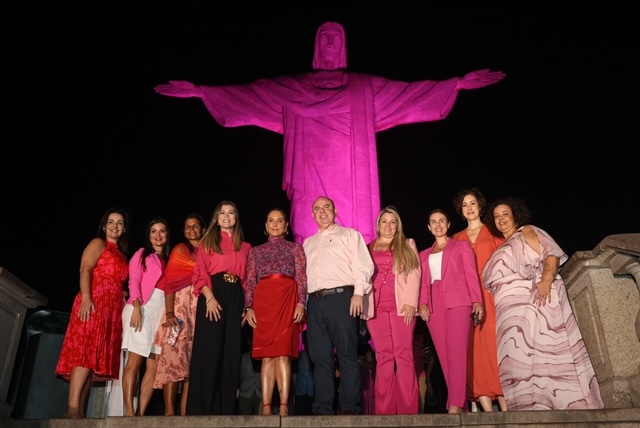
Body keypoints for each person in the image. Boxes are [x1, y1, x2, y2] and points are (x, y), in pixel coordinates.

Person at [154, 22, 505, 246]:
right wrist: (203, 92)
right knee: (312, 249)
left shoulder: (363, 88)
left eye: (337, 38)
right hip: (311, 186)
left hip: (353, 187)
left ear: (345, 46)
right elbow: (250, 95)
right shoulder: (294, 88)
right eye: (324, 38)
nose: (331, 43)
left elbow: (410, 93)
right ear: (315, 46)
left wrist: (455, 84)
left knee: (353, 250)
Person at [483, 197, 604, 410]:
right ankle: (530, 406)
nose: (501, 218)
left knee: (545, 354)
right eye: (496, 216)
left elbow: (550, 255)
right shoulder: (504, 244)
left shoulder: (527, 231)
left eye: (505, 214)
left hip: (534, 304)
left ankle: (561, 402)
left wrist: (546, 280)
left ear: (515, 215)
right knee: (519, 360)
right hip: (510, 318)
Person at [55, 208, 131, 419]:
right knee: (85, 351)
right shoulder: (99, 244)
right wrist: (87, 298)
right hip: (94, 302)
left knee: (94, 357)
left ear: (124, 229)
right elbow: (85, 269)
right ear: (104, 226)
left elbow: (116, 279)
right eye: (111, 222)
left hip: (111, 309)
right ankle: (72, 407)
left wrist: (122, 292)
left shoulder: (122, 255)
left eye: (120, 222)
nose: (115, 225)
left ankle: (80, 410)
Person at [303, 196, 375, 415]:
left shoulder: (350, 235)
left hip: (342, 298)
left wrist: (358, 293)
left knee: (347, 354)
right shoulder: (308, 243)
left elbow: (363, 264)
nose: (322, 211)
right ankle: (323, 408)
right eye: (317, 209)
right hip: (314, 303)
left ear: (335, 210)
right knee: (320, 357)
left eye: (326, 207)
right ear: (312, 214)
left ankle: (350, 407)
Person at [187, 200, 251, 415]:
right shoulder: (208, 242)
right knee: (210, 349)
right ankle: (204, 407)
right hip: (213, 294)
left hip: (237, 297)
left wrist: (247, 306)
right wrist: (210, 297)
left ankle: (226, 408)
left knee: (231, 351)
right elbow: (200, 272)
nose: (226, 216)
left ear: (236, 217)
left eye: (231, 212)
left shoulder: (246, 246)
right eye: (222, 212)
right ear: (217, 217)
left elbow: (250, 280)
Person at [418, 209, 483, 414]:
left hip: (458, 300)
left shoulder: (461, 246)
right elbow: (422, 284)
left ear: (448, 225)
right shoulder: (423, 255)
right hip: (434, 305)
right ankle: (460, 403)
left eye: (441, 221)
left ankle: (454, 403)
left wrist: (477, 300)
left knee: (456, 351)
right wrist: (423, 304)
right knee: (444, 355)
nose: (438, 225)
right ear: (429, 227)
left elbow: (471, 275)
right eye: (433, 222)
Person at [243, 208, 307, 416]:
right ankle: (267, 407)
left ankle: (285, 407)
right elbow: (250, 281)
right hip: (263, 303)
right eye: (271, 220)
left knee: (283, 356)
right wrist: (249, 307)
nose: (275, 224)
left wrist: (301, 304)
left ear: (286, 226)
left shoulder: (295, 248)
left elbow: (302, 278)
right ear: (266, 226)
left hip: (287, 300)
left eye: (280, 221)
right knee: (266, 357)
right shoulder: (256, 251)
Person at [451, 188, 506, 412]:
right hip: (468, 298)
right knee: (474, 351)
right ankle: (486, 407)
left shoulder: (493, 233)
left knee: (496, 346)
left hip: (492, 293)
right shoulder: (456, 238)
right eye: (465, 205)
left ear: (480, 206)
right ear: (461, 211)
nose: (469, 208)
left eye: (472, 203)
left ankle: (507, 402)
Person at [365, 206, 421, 414]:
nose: (388, 226)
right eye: (384, 221)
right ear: (378, 225)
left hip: (401, 306)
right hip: (376, 308)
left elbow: (415, 273)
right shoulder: (368, 247)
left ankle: (408, 409)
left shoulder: (407, 245)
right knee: (384, 356)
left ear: (398, 226)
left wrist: (411, 303)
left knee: (404, 354)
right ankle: (385, 410)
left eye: (392, 222)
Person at [153, 213, 206, 415]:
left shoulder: (208, 252)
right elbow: (170, 285)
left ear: (202, 229)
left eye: (195, 226)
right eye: (187, 226)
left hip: (198, 315)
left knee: (191, 368)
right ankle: (169, 412)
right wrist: (169, 313)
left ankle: (184, 414)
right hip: (178, 314)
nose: (191, 229)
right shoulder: (180, 250)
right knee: (172, 361)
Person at [120, 217, 171, 416]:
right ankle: (129, 412)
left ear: (167, 235)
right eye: (153, 231)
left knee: (154, 364)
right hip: (142, 307)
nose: (158, 235)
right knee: (135, 360)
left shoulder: (171, 259)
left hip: (160, 313)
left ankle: (141, 413)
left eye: (162, 231)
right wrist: (137, 306)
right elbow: (134, 280)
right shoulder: (142, 254)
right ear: (148, 236)